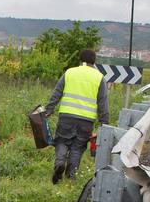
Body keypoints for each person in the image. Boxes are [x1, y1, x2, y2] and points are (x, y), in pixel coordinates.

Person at [38, 49, 110, 184]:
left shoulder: (70, 72)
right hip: (86, 120)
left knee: (61, 141)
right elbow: (103, 102)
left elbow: (57, 93)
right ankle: (71, 176)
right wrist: (104, 122)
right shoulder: (99, 77)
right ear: (94, 61)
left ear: (80, 59)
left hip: (67, 116)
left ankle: (59, 163)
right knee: (78, 146)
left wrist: (49, 110)